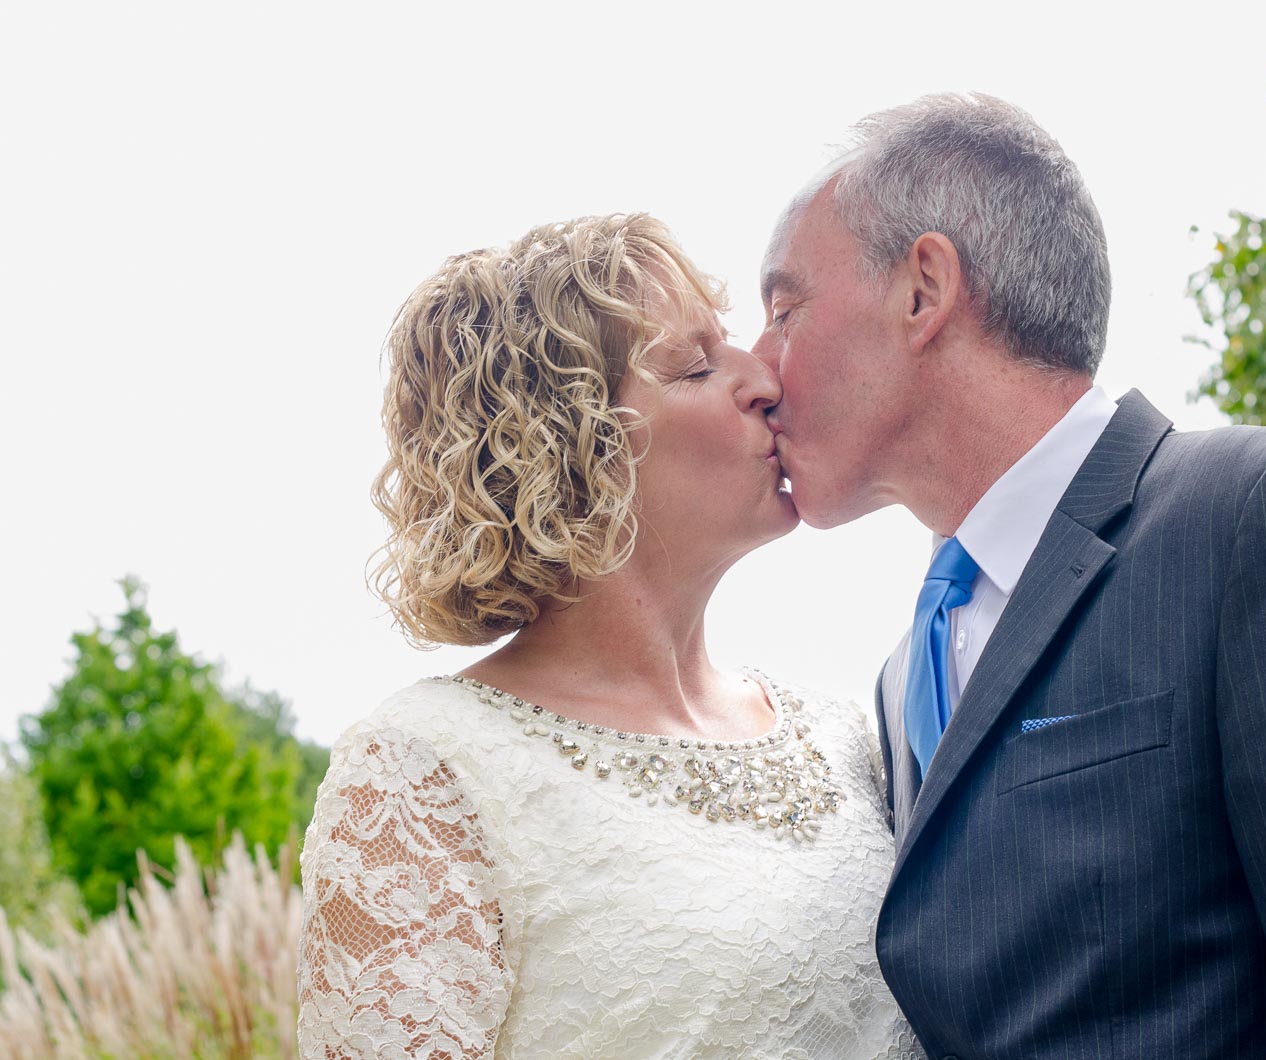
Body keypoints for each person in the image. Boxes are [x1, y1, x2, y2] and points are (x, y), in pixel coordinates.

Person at [751, 93, 1266, 1058]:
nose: (758, 369)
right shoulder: (902, 672)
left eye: (784, 310)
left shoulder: (1261, 519)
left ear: (924, 289)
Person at [295, 215, 918, 1058]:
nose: (765, 378)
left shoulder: (849, 738)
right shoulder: (423, 773)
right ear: (568, 444)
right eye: (696, 365)